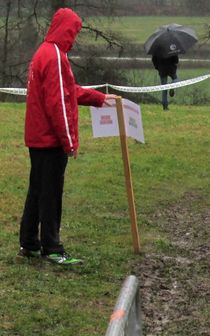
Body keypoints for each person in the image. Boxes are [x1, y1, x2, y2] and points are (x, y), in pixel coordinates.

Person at [19, 7, 116, 266]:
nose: (75, 37)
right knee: (51, 194)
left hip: (37, 138)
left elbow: (67, 90)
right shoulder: (55, 57)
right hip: (49, 141)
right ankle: (52, 247)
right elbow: (58, 104)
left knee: (37, 190)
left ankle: (29, 243)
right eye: (74, 31)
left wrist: (98, 98)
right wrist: (69, 141)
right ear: (67, 30)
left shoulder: (44, 52)